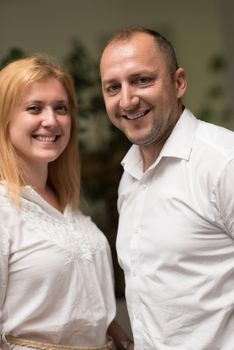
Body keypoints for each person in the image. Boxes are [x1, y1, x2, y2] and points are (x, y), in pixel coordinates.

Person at [100, 27, 234, 350]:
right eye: (113, 87)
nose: (127, 99)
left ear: (179, 83)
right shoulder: (129, 177)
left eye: (142, 80)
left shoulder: (223, 162)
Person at [0, 55, 134, 350]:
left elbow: (71, 298)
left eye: (61, 108)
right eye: (34, 108)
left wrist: (115, 332)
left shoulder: (69, 205)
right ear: (4, 119)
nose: (51, 121)